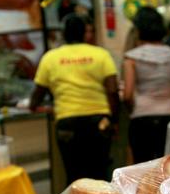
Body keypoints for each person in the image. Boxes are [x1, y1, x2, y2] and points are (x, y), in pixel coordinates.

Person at [29, 14, 119, 183]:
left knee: (74, 177)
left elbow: (38, 94)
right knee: (100, 174)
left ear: (63, 34)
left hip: (67, 124)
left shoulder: (50, 58)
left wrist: (33, 105)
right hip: (99, 122)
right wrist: (114, 122)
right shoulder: (101, 54)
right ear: (85, 33)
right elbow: (113, 91)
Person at [123, 6, 170, 163]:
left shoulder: (131, 57)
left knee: (141, 169)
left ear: (138, 29)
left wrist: (133, 110)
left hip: (141, 118)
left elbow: (127, 94)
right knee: (167, 167)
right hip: (169, 117)